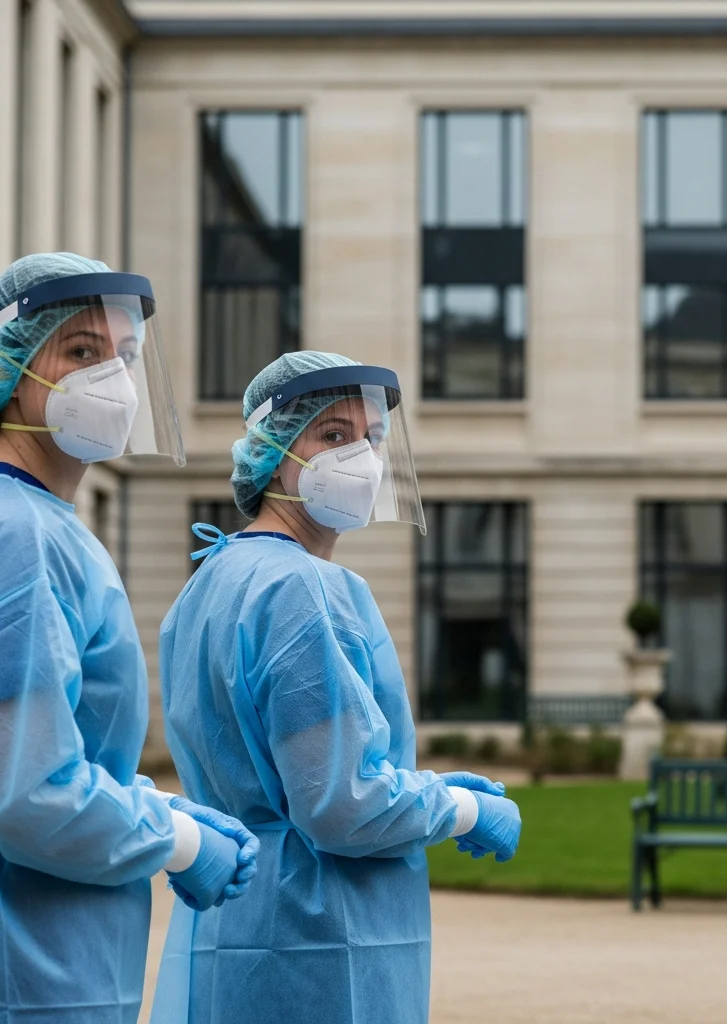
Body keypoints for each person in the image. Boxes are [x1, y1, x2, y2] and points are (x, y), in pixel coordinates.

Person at [153, 351, 522, 1024]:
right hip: (315, 942)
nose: (361, 456)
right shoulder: (301, 587)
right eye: (332, 435)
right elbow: (341, 803)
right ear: (271, 451)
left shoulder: (211, 579)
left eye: (372, 438)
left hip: (235, 926)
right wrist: (459, 809)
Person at [0, 253, 260, 1024]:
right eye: (81, 351)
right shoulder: (20, 533)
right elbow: (25, 791)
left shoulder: (44, 525)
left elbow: (47, 747)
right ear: (12, 370)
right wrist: (176, 840)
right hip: (34, 967)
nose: (112, 377)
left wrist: (149, 802)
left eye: (125, 355)